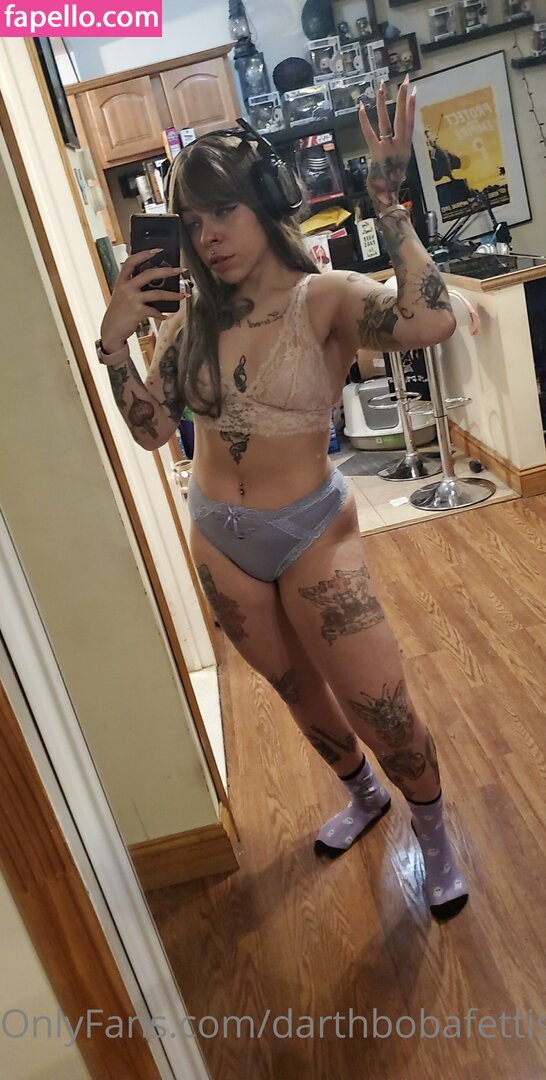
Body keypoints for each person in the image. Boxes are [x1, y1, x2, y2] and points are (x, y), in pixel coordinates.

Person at [96, 76, 468, 921]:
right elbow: (152, 432)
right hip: (217, 536)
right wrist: (115, 345)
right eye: (192, 221)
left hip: (311, 534)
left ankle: (436, 834)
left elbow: (430, 321)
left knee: (381, 706)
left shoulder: (324, 298)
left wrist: (390, 206)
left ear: (266, 203)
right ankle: (364, 796)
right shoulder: (188, 324)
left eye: (223, 211)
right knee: (297, 691)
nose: (207, 236)